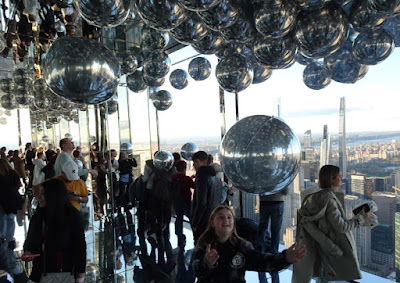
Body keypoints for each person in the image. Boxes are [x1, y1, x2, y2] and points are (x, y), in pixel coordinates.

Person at [292, 165, 369, 283]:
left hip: (321, 245)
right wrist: (359, 219)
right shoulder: (330, 200)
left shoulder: (314, 196)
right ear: (331, 179)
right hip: (330, 246)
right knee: (326, 276)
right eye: (339, 176)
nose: (341, 178)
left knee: (322, 275)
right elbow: (341, 227)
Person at [192, 205, 306, 282]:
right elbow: (195, 270)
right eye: (221, 217)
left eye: (229, 217)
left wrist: (285, 258)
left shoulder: (242, 247)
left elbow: (263, 262)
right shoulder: (204, 245)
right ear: (212, 222)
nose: (226, 220)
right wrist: (206, 263)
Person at [22, 178, 86, 283]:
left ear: (53, 195)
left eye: (43, 193)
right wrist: (28, 251)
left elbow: (80, 247)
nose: (39, 197)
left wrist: (80, 276)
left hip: (65, 273)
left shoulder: (72, 215)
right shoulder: (38, 216)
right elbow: (31, 240)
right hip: (40, 273)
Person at [257, 186, 289, 283]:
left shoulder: (262, 174)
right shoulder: (280, 173)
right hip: (278, 202)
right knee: (275, 230)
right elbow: (286, 191)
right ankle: (274, 252)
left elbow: (257, 188)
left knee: (262, 227)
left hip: (264, 201)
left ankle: (260, 250)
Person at [191, 151, 220, 244]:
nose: (193, 165)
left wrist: (195, 222)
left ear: (203, 162)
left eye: (196, 162)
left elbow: (201, 203)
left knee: (200, 245)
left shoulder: (202, 177)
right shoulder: (215, 176)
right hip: (213, 217)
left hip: (203, 220)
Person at [0, 159, 23, 276]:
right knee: (10, 222)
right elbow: (19, 185)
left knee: (3, 225)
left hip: (2, 205)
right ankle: (9, 241)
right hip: (12, 204)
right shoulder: (12, 174)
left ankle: (4, 241)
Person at [170, 160, 194, 247]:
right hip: (186, 200)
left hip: (176, 201)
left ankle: (178, 233)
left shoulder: (172, 178)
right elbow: (193, 186)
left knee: (179, 218)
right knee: (191, 217)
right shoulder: (186, 179)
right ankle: (194, 230)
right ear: (184, 168)